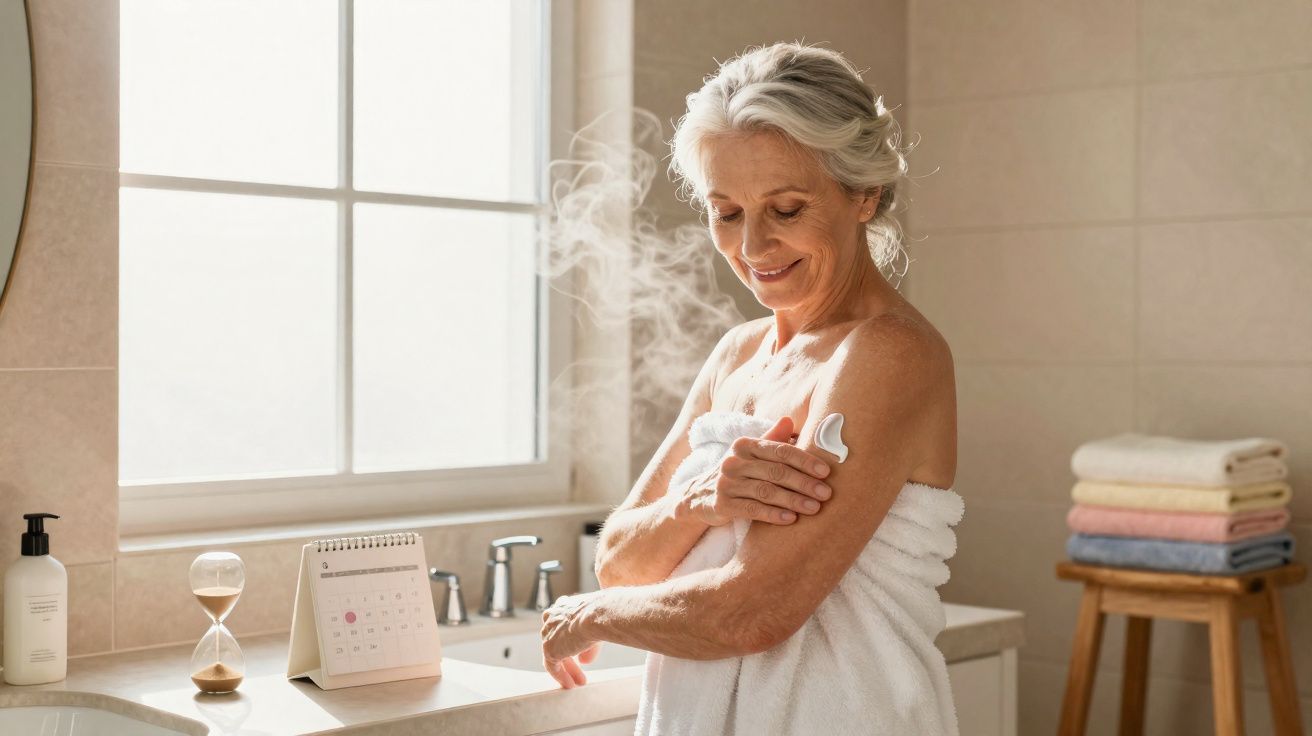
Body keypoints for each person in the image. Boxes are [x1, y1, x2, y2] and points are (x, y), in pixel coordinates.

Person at [541, 41, 962, 735]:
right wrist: (696, 504)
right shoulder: (739, 353)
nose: (754, 248)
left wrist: (586, 616)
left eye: (787, 209)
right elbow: (618, 560)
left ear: (865, 194)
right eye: (727, 212)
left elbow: (751, 614)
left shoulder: (889, 353)